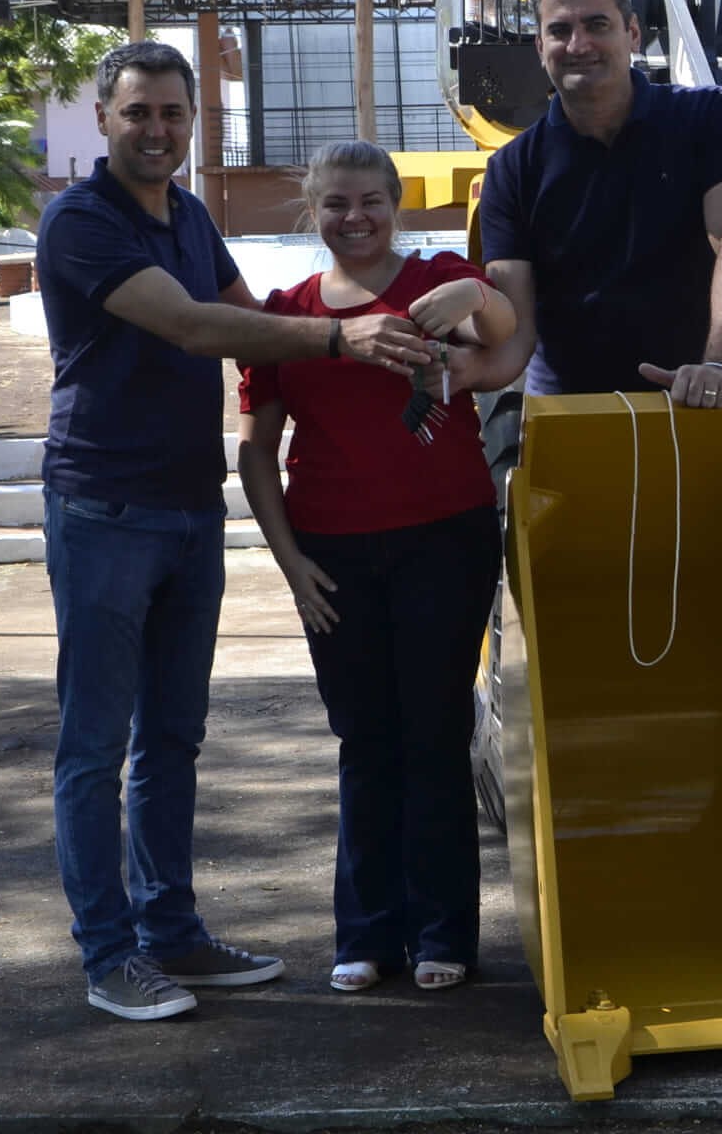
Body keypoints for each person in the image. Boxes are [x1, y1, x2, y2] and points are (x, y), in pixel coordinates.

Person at [37, 40, 437, 1022]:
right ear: (104, 117)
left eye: (174, 113)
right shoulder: (81, 223)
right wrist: (345, 335)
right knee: (96, 745)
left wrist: (392, 353)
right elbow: (195, 328)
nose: (158, 130)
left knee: (173, 737)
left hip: (187, 508)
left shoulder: (189, 214)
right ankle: (108, 955)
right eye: (139, 113)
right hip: (104, 509)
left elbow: (256, 324)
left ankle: (172, 933)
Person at [235, 140, 514, 996]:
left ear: (395, 205)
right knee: (366, 740)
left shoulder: (436, 281)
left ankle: (444, 935)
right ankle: (365, 932)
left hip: (445, 539)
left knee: (433, 736)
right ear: (312, 213)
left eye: (370, 202)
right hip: (334, 554)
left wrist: (478, 294)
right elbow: (255, 453)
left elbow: (503, 342)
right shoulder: (288, 315)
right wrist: (291, 566)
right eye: (335, 205)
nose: (354, 219)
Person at [467, 0, 722, 409]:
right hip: (570, 417)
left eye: (597, 25)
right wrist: (461, 371)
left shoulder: (706, 118)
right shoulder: (511, 169)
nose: (579, 44)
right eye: (560, 31)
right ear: (539, 46)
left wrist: (720, 366)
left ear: (632, 33)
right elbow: (516, 328)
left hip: (692, 404)